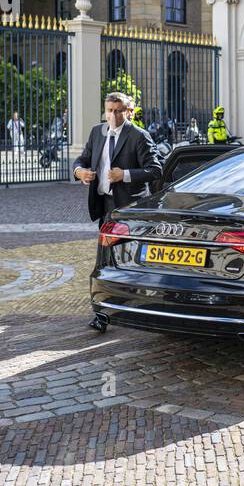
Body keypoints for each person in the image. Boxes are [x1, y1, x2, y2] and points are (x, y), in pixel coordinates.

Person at [73, 93, 162, 330]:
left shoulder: (139, 136)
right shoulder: (97, 132)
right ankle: (102, 313)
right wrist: (79, 173)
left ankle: (145, 308)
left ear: (129, 111)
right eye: (109, 110)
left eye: (118, 110)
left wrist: (125, 174)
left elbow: (155, 170)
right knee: (105, 261)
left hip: (129, 210)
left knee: (133, 261)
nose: (113, 115)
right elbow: (81, 160)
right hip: (105, 207)